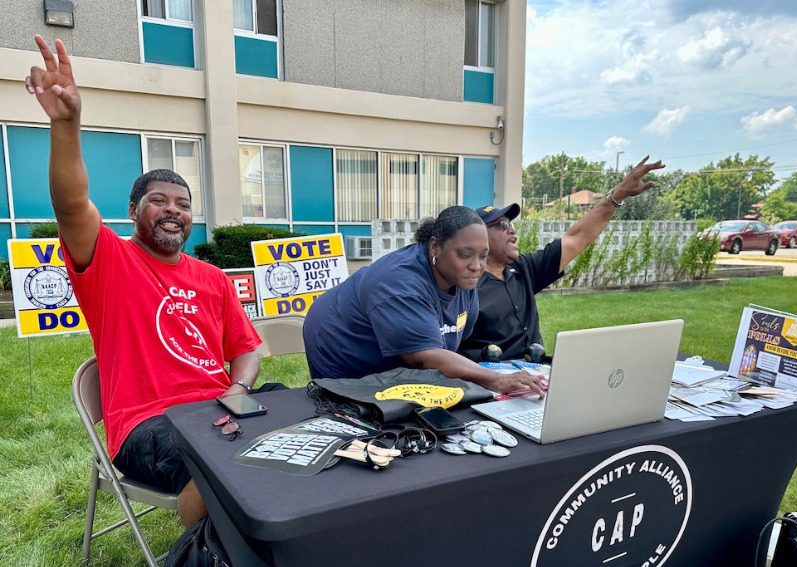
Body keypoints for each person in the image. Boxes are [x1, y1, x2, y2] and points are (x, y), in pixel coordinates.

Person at [25, 35, 262, 527]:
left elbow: (248, 348)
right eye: (159, 201)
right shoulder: (109, 261)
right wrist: (66, 124)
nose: (173, 211)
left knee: (307, 425)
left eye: (183, 204)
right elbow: (71, 204)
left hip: (219, 407)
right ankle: (209, 552)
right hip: (147, 426)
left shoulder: (211, 278)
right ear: (133, 211)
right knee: (222, 463)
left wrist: (238, 389)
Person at [303, 205, 546, 397]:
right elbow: (424, 358)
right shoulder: (399, 283)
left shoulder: (462, 277)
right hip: (341, 347)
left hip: (395, 356)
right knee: (370, 411)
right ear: (435, 247)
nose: (476, 266)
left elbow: (453, 343)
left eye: (483, 256)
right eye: (465, 254)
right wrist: (494, 378)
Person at [459, 156, 665, 361]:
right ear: (479, 237)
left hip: (536, 375)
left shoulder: (524, 268)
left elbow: (577, 237)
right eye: (503, 226)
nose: (512, 232)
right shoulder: (464, 287)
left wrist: (618, 194)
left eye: (512, 225)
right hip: (493, 383)